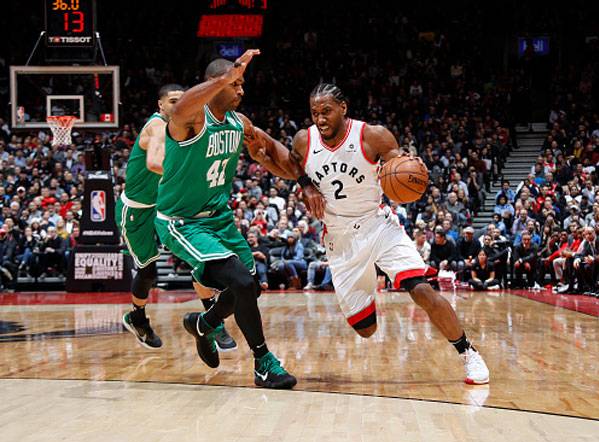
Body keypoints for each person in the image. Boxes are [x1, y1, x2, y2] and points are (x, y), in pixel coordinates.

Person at [289, 82, 489, 384]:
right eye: (315, 112)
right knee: (365, 329)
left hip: (377, 224)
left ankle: (468, 352)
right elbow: (291, 162)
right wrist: (304, 184)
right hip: (340, 239)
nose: (320, 118)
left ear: (343, 108)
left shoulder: (373, 136)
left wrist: (407, 173)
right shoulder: (305, 141)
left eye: (326, 111)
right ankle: (367, 288)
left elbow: (403, 168)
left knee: (420, 288)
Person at [154, 52, 323, 389]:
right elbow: (182, 105)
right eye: (236, 84)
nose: (241, 90)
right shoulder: (189, 120)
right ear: (216, 85)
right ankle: (263, 363)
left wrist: (304, 183)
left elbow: (274, 151)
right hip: (182, 222)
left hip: (219, 220)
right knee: (243, 284)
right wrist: (224, 77)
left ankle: (204, 324)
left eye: (242, 84)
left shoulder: (239, 124)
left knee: (250, 288)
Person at [116, 84, 237, 352]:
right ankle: (137, 317)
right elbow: (155, 163)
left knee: (199, 260)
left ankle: (212, 321)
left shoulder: (188, 130)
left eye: (183, 101)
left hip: (166, 208)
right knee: (148, 271)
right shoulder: (158, 126)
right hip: (137, 208)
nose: (178, 106)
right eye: (172, 101)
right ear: (160, 105)